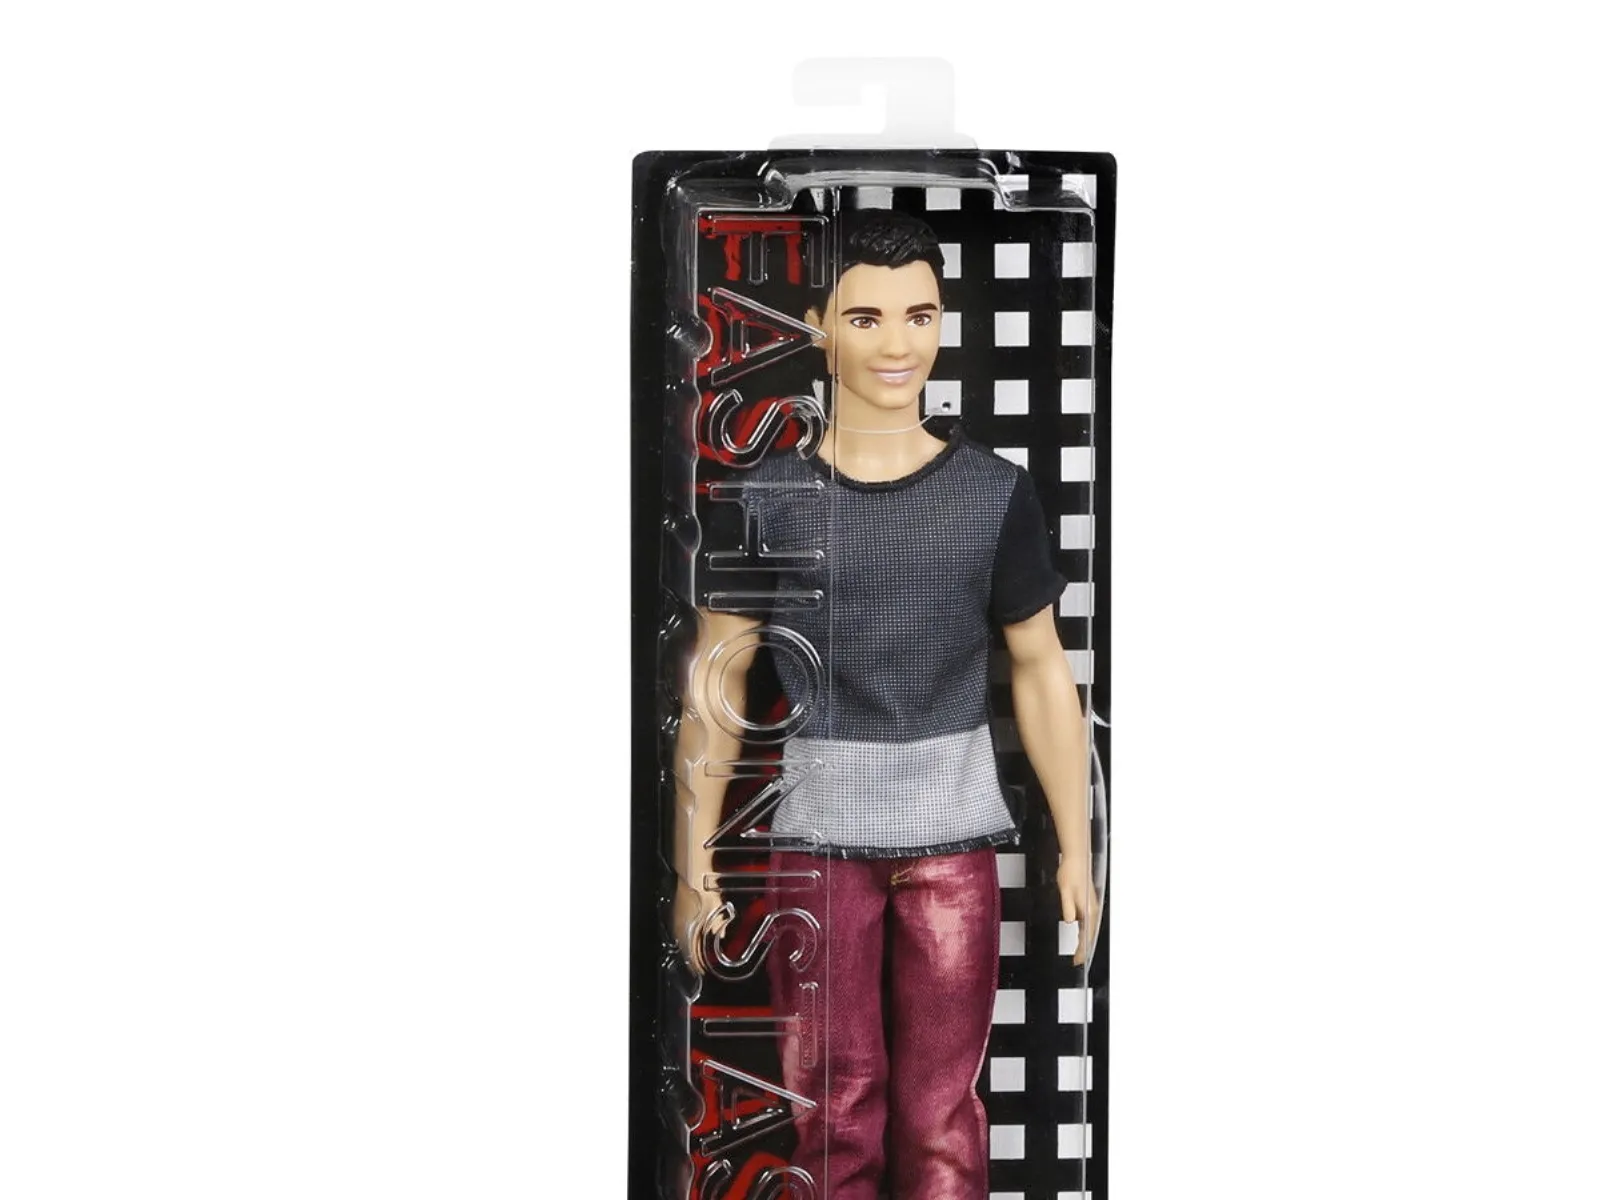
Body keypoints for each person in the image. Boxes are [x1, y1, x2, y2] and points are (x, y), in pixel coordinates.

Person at [676, 210, 1096, 1200]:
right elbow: (717, 680)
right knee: (832, 1106)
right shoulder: (768, 495)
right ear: (819, 326)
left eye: (921, 315)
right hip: (817, 844)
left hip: (952, 841)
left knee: (943, 1110)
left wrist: (1079, 846)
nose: (897, 343)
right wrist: (693, 859)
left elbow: (1042, 669)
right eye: (865, 318)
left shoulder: (992, 493)